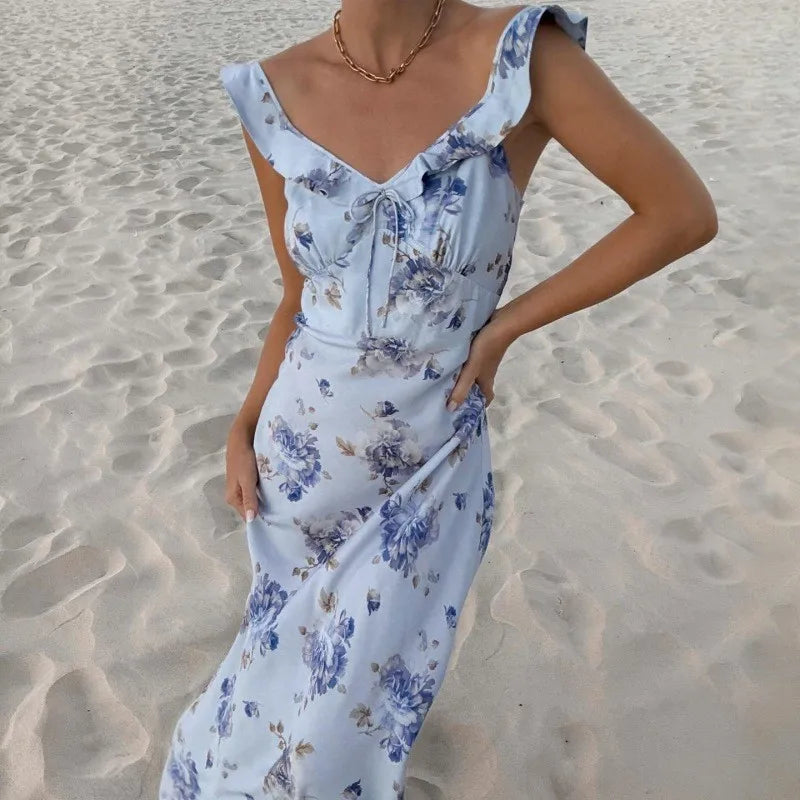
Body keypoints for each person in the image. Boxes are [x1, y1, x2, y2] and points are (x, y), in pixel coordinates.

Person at [159, 1, 717, 797]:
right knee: (267, 683)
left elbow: (679, 214)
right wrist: (243, 423)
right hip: (296, 463)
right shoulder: (274, 90)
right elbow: (297, 296)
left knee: (339, 733)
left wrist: (506, 326)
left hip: (428, 467)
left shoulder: (522, 57)